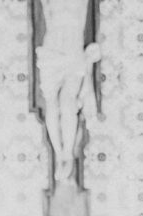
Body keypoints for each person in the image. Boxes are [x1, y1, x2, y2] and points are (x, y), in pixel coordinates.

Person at [34, 0, 100, 184]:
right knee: (52, 102)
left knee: (67, 102)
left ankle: (67, 153)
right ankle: (59, 153)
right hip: (53, 48)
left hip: (73, 48)